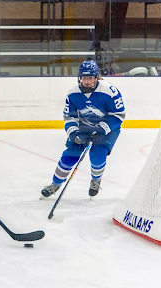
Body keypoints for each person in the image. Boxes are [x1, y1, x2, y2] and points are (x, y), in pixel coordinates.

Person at [41, 60, 125, 198]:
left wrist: (102, 129)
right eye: (84, 78)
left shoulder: (110, 91)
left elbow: (118, 115)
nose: (86, 81)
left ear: (96, 77)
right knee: (70, 154)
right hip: (83, 126)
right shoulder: (72, 93)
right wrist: (74, 133)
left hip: (108, 127)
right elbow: (69, 117)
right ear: (80, 78)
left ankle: (96, 181)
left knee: (98, 153)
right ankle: (55, 184)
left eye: (90, 78)